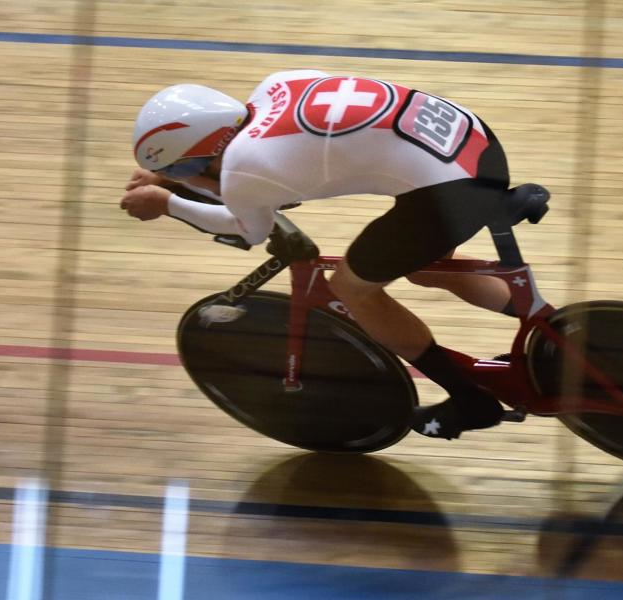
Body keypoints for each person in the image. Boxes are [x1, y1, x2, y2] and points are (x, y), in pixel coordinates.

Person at [121, 69, 516, 440]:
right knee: (427, 268)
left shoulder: (246, 166)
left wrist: (167, 202)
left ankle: (471, 400)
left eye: (181, 169)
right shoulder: (275, 85)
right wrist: (169, 174)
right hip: (474, 146)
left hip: (451, 192)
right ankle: (546, 337)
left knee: (352, 289)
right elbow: (254, 180)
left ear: (198, 158)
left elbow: (250, 227)